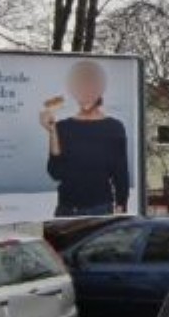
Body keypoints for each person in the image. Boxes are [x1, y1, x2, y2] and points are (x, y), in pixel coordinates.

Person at [40, 60, 129, 216]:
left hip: (100, 209)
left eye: (90, 86)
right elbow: (55, 172)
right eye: (80, 87)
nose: (85, 92)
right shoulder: (62, 127)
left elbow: (120, 171)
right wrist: (52, 131)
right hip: (66, 209)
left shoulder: (114, 127)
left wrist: (121, 204)